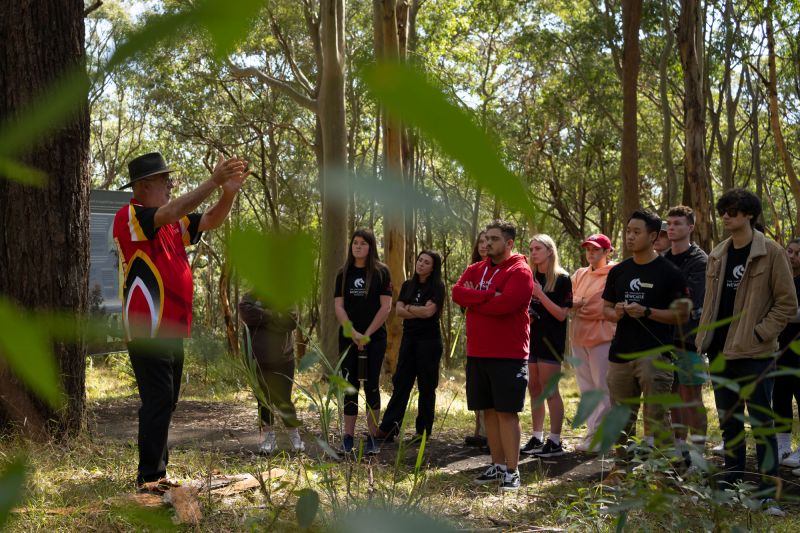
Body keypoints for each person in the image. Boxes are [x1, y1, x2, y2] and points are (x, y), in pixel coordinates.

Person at [113, 151, 249, 489]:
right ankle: (149, 477)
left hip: (172, 327)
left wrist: (228, 192)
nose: (171, 185)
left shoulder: (171, 223)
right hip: (147, 325)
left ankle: (158, 472)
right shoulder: (130, 216)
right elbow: (172, 211)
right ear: (143, 186)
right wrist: (213, 181)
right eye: (164, 180)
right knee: (158, 399)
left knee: (167, 399)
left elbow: (208, 221)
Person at [696, 189, 796, 508]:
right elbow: (711, 302)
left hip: (755, 353)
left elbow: (786, 302)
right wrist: (705, 338)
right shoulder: (718, 253)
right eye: (723, 210)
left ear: (749, 214)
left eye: (734, 210)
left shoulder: (771, 252)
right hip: (720, 350)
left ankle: (769, 494)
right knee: (729, 422)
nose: (726, 215)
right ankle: (734, 482)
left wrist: (760, 332)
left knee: (762, 424)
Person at [601, 209, 689, 482]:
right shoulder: (619, 271)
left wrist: (648, 312)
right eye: (628, 231)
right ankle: (620, 469)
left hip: (656, 353)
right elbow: (604, 308)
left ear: (653, 236)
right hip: (620, 355)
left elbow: (683, 314)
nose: (630, 236)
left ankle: (665, 475)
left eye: (637, 232)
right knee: (621, 417)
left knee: (657, 415)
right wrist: (615, 311)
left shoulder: (670, 272)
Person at [452, 220, 534, 491]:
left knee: (507, 412)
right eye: (486, 238)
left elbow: (506, 305)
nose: (487, 243)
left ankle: (513, 470)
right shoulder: (476, 268)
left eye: (494, 239)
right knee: (487, 410)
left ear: (509, 243)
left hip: (508, 354)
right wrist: (489, 294)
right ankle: (497, 464)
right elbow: (456, 293)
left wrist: (476, 300)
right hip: (478, 352)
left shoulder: (520, 271)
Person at [376, 251, 446, 443]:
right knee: (401, 383)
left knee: (426, 386)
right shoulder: (408, 285)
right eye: (420, 260)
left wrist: (409, 308)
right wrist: (416, 309)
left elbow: (428, 313)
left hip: (429, 342)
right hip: (409, 340)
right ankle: (389, 428)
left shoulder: (437, 287)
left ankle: (422, 431)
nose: (421, 264)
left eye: (426, 262)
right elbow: (398, 310)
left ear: (433, 268)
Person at [334, 229, 393, 455]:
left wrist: (366, 334)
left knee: (371, 386)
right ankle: (348, 437)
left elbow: (385, 307)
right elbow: (338, 306)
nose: (357, 246)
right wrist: (353, 332)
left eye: (363, 243)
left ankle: (372, 437)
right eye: (355, 243)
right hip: (348, 337)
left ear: (371, 246)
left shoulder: (381, 272)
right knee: (350, 386)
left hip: (375, 338)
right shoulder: (343, 273)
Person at [663, 206, 708, 465]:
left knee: (691, 396)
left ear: (690, 227)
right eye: (669, 223)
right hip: (664, 339)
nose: (671, 228)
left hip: (690, 340)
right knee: (673, 395)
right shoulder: (664, 258)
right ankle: (680, 448)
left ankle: (700, 451)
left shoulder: (700, 260)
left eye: (678, 223)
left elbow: (689, 301)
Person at [521, 235, 572, 458]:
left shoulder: (562, 279)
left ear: (550, 251)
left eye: (538, 248)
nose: (533, 253)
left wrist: (540, 294)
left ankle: (555, 440)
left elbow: (562, 314)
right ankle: (537, 436)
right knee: (534, 388)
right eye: (531, 249)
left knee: (549, 390)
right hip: (531, 339)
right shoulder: (528, 276)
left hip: (551, 341)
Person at [238, 293, 304, 455]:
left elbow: (290, 320)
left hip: (283, 359)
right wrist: (275, 315)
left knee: (284, 400)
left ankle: (294, 437)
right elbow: (247, 314)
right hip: (257, 360)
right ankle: (268, 438)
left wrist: (263, 316)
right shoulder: (249, 297)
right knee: (263, 400)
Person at [569, 234, 615, 452]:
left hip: (602, 338)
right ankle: (591, 434)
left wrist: (581, 305)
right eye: (588, 249)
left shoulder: (614, 273)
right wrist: (578, 304)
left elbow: (599, 306)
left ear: (607, 252)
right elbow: (569, 302)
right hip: (578, 337)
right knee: (587, 389)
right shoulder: (579, 274)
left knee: (602, 387)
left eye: (596, 249)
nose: (591, 253)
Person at [776, 239, 800, 470]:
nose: (792, 256)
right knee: (780, 396)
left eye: (798, 253)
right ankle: (782, 444)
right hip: (778, 348)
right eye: (789, 251)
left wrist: (777, 312)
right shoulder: (781, 279)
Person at [465, 231, 489, 447]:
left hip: (493, 335)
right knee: (475, 385)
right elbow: (462, 298)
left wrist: (475, 298)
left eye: (487, 241)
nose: (483, 245)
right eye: (480, 241)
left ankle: (488, 433)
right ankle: (478, 430)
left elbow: (497, 301)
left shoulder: (502, 269)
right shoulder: (472, 270)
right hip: (473, 334)